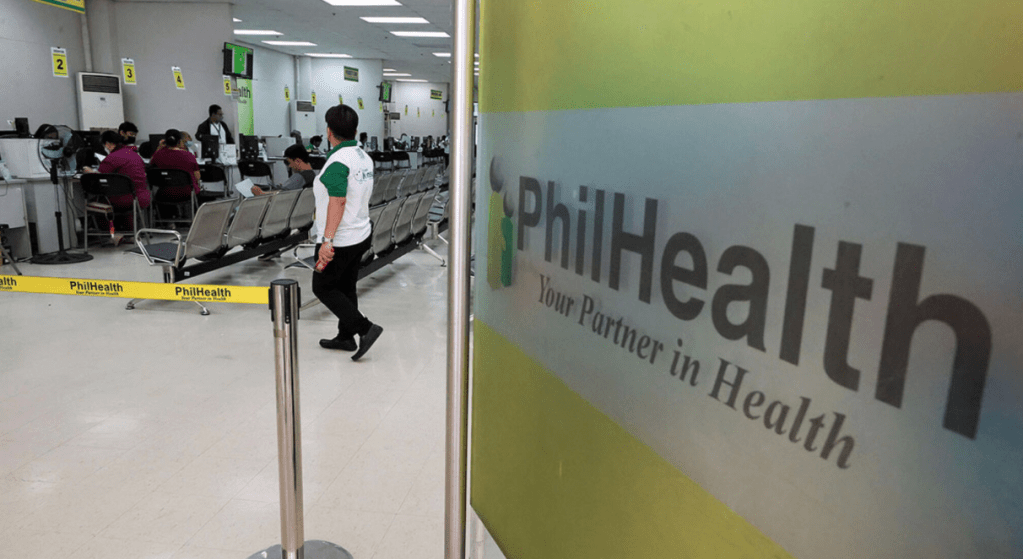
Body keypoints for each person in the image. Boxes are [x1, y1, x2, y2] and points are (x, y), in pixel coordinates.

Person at [313, 104, 382, 361]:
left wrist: (327, 241)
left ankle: (364, 328)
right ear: (355, 130)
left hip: (340, 239)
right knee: (345, 286)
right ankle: (345, 337)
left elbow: (338, 201)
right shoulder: (363, 157)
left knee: (322, 287)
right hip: (360, 233)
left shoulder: (338, 162)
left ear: (329, 132)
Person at [81, 130, 150, 240]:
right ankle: (129, 233)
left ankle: (109, 235)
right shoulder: (134, 154)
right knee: (120, 197)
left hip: (124, 200)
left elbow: (99, 178)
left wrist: (89, 171)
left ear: (108, 144)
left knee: (96, 201)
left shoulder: (111, 158)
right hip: (142, 197)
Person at [150, 129, 201, 202]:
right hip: (187, 193)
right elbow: (197, 177)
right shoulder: (189, 155)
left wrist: (159, 148)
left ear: (165, 141)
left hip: (164, 192)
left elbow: (151, 163)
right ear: (180, 141)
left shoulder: (158, 155)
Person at [251, 144, 316, 195]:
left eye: (289, 162)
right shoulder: (312, 174)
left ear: (298, 161)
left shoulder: (299, 177)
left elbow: (282, 194)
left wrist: (261, 193)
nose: (289, 166)